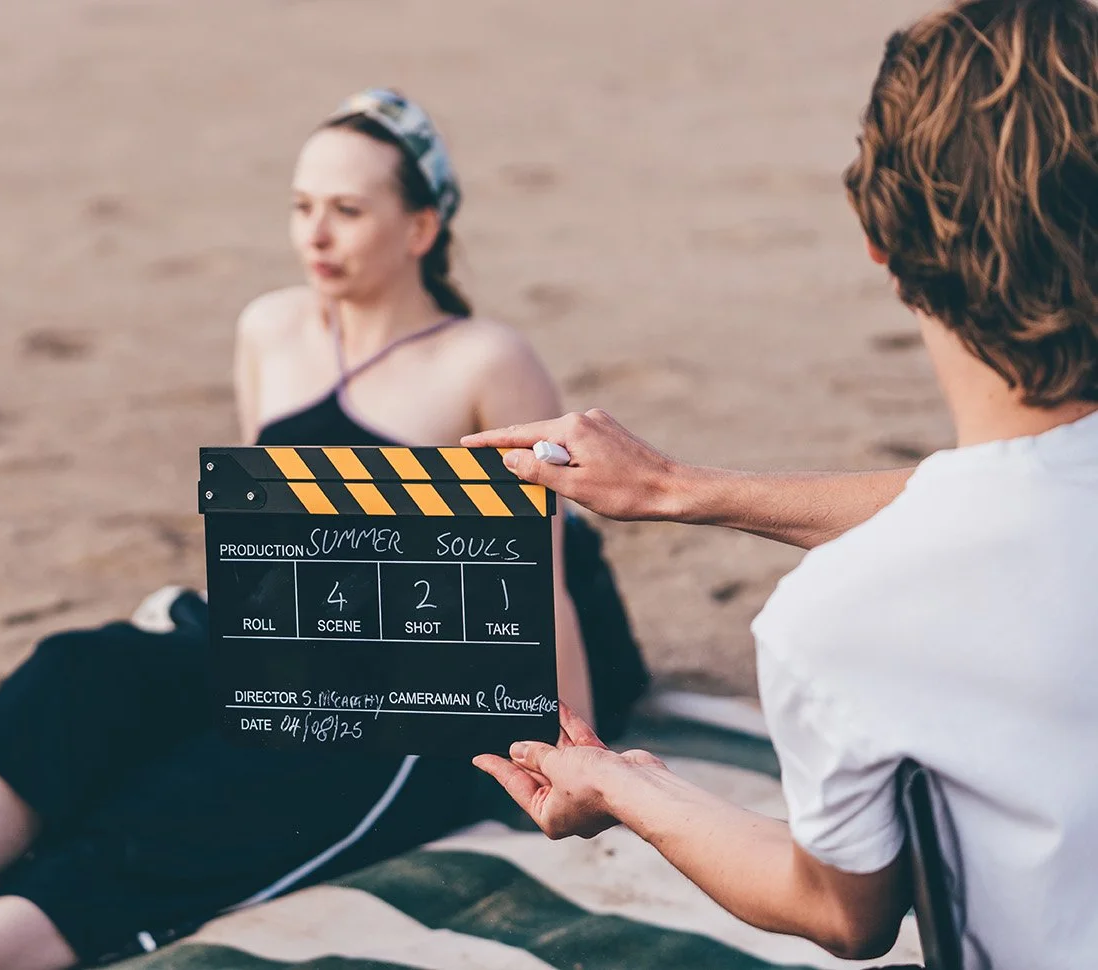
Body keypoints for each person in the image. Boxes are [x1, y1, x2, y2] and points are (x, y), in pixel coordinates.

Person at [0, 89, 648, 970]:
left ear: (421, 228)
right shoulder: (271, 329)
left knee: (209, 800)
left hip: (431, 683)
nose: (315, 235)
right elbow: (272, 527)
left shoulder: (485, 361)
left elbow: (540, 584)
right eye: (301, 207)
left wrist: (578, 764)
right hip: (303, 630)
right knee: (77, 673)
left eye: (346, 211)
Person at [469, 2, 1098, 966]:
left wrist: (622, 784)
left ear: (879, 241)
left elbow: (843, 912)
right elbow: (1022, 501)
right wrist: (675, 487)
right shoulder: (956, 548)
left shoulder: (843, 620)